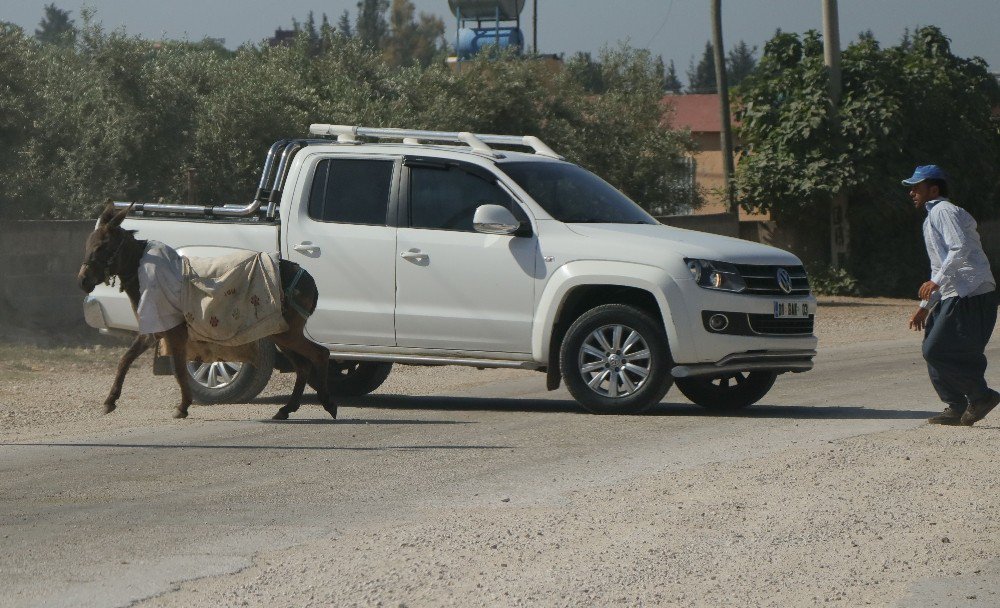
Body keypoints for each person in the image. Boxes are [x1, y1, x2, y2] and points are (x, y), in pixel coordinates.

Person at [904, 165, 999, 426]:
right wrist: (926, 305)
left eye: (917, 187)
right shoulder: (932, 216)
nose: (912, 192)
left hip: (971, 291)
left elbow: (960, 248)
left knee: (939, 349)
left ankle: (981, 396)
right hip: (955, 291)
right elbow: (940, 263)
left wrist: (935, 282)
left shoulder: (943, 211)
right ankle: (956, 406)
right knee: (932, 348)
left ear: (933, 189)